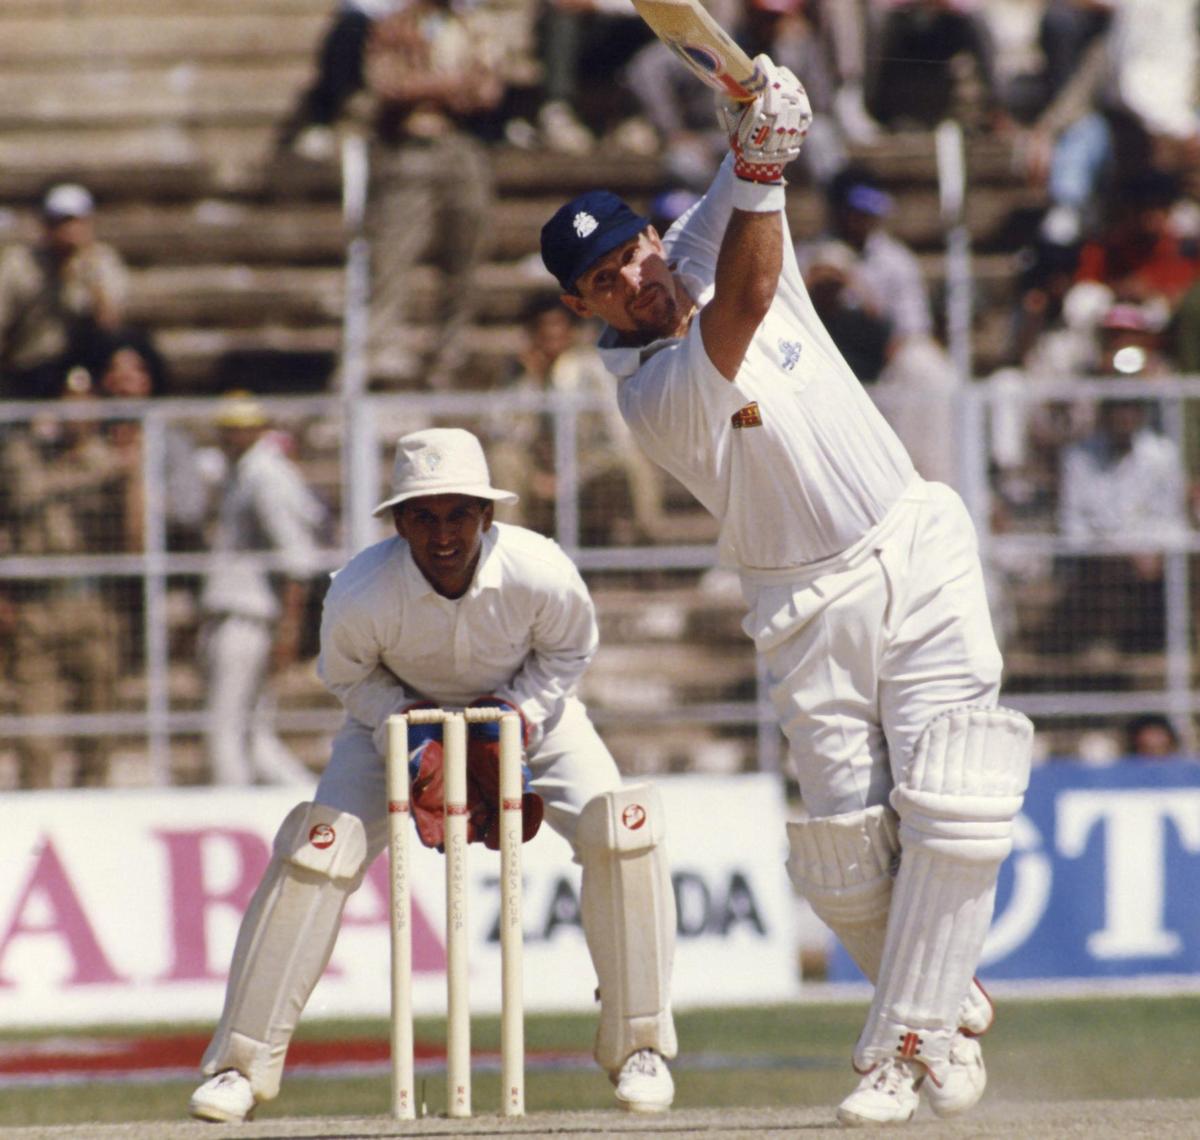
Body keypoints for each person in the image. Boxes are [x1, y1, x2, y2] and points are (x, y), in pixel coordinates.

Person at [540, 53, 1032, 1126]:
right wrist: (761, 161)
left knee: (959, 791)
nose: (636, 278)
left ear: (651, 239)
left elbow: (753, 154)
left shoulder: (695, 243)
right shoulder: (652, 390)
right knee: (846, 847)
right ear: (585, 306)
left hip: (915, 535)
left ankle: (903, 1046)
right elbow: (755, 288)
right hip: (806, 607)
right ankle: (938, 997)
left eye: (635, 252)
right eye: (607, 280)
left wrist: (760, 104)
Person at [187, 427, 677, 1122]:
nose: (442, 535)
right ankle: (239, 1065)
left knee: (624, 829)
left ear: (486, 515)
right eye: (423, 516)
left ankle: (640, 1047)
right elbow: (345, 677)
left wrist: (516, 715)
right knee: (315, 852)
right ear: (399, 522)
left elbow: (572, 652)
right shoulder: (360, 589)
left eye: (457, 515)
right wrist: (413, 731)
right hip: (391, 717)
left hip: (529, 709)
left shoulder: (540, 569)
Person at [198, 393, 327, 786]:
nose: (229, 438)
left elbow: (297, 559)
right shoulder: (244, 474)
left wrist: (288, 630)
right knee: (254, 735)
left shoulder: (264, 476)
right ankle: (309, 802)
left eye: (238, 430)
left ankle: (231, 808)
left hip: (248, 616)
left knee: (223, 728)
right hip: (241, 613)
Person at [0, 183, 130, 400]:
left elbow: (109, 322)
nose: (68, 230)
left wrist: (88, 272)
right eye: (59, 222)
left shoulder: (102, 261)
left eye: (74, 221)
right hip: (30, 365)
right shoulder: (20, 264)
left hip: (84, 363)